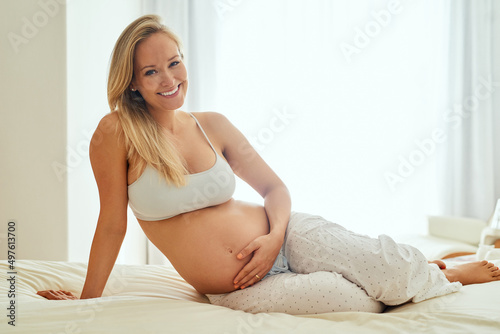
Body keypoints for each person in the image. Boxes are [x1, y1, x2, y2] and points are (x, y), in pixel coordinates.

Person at [37, 14, 500, 315]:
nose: (169, 79)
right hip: (236, 286)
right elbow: (112, 224)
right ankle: (433, 268)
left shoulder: (211, 124)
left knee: (384, 267)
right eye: (151, 71)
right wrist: (86, 301)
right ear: (132, 82)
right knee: (353, 301)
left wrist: (274, 235)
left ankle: (444, 271)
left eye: (174, 63)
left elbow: (274, 190)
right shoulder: (115, 132)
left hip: (285, 234)